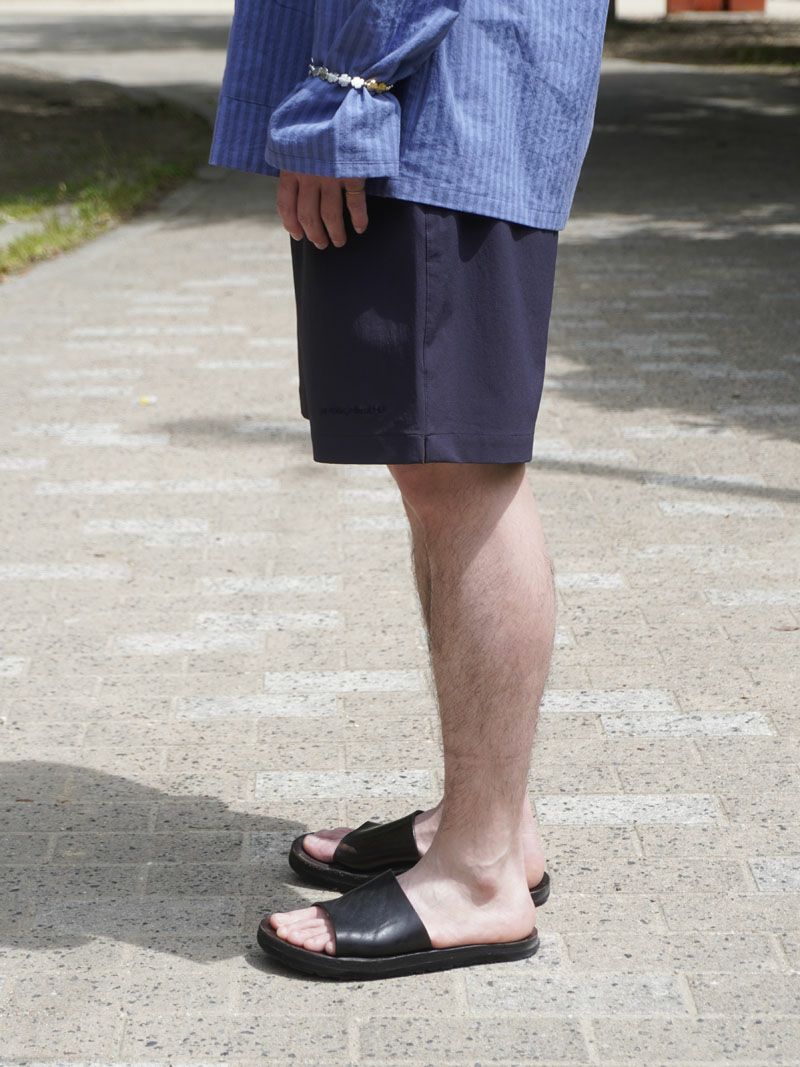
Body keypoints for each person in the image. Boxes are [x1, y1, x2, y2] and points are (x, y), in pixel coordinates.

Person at [209, 0, 608, 980]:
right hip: (447, 91)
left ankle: (475, 876)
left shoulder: (384, 88)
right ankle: (489, 823)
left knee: (459, 471)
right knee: (443, 462)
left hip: (425, 97)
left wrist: (350, 86)